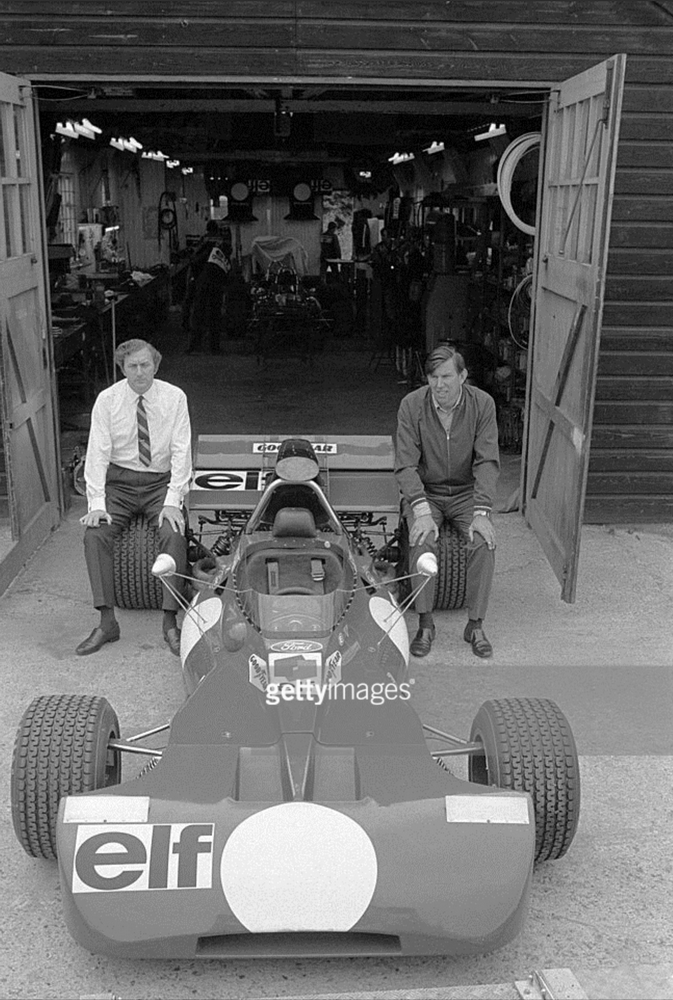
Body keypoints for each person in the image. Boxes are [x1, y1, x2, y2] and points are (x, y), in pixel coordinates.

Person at [76, 339, 192, 657]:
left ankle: (170, 621)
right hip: (121, 483)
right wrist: (96, 503)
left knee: (174, 533)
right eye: (132, 366)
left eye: (145, 365)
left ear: (155, 365)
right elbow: (97, 453)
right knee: (94, 535)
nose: (139, 372)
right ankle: (107, 622)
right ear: (122, 368)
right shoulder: (107, 400)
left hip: (160, 483)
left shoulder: (174, 397)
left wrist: (173, 499)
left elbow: (182, 450)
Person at [394, 342, 499, 659]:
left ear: (463, 376)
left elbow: (487, 461)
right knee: (422, 540)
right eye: (432, 377)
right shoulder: (412, 405)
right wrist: (419, 508)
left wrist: (481, 510)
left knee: (484, 541)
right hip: (428, 493)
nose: (439, 385)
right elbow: (405, 464)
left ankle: (476, 624)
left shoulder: (483, 405)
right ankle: (425, 624)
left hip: (467, 493)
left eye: (446, 377)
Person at [187, 242, 231, 354]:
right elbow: (227, 281)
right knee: (215, 318)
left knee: (198, 316)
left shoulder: (212, 251)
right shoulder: (227, 263)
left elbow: (195, 263)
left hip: (203, 285)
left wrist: (196, 280)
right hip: (216, 289)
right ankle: (214, 348)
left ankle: (194, 346)